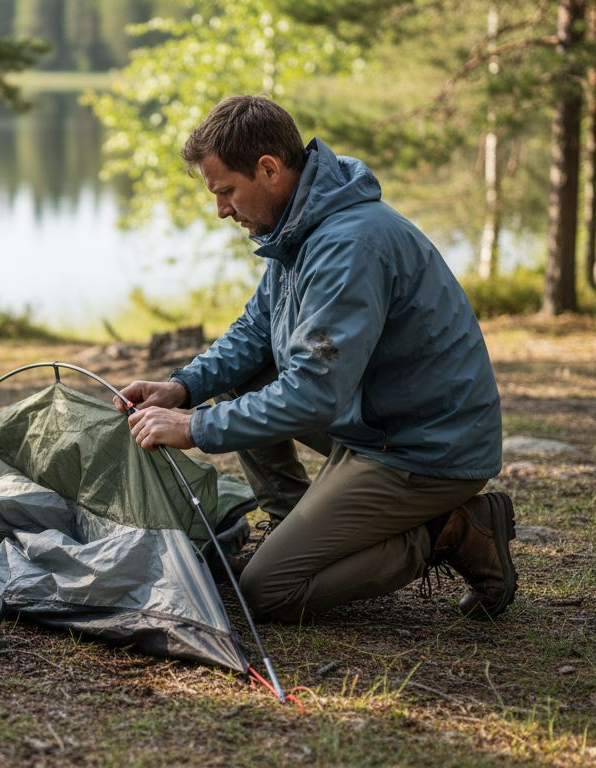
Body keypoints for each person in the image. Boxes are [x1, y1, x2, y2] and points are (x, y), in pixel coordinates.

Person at [116, 95, 516, 623]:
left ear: (269, 169)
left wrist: (194, 426)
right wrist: (183, 387)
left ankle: (453, 530)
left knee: (267, 592)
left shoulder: (348, 245)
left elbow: (313, 395)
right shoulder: (300, 229)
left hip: (424, 453)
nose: (221, 210)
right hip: (374, 425)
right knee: (244, 376)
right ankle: (293, 523)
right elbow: (256, 331)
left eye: (226, 191)